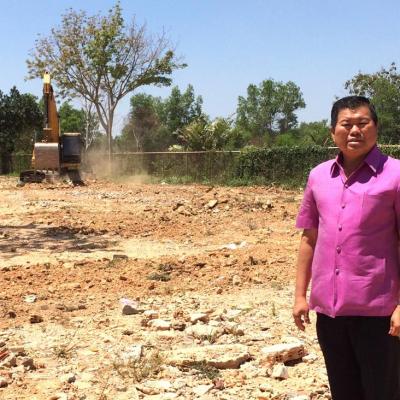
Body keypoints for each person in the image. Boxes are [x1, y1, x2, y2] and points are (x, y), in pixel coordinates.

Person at [293, 95, 400, 400]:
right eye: (346, 124)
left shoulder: (395, 175)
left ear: (376, 128)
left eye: (362, 123)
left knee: (383, 392)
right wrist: (300, 295)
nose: (354, 130)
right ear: (333, 132)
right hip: (330, 313)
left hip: (379, 313)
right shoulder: (318, 176)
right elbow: (309, 237)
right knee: (343, 391)